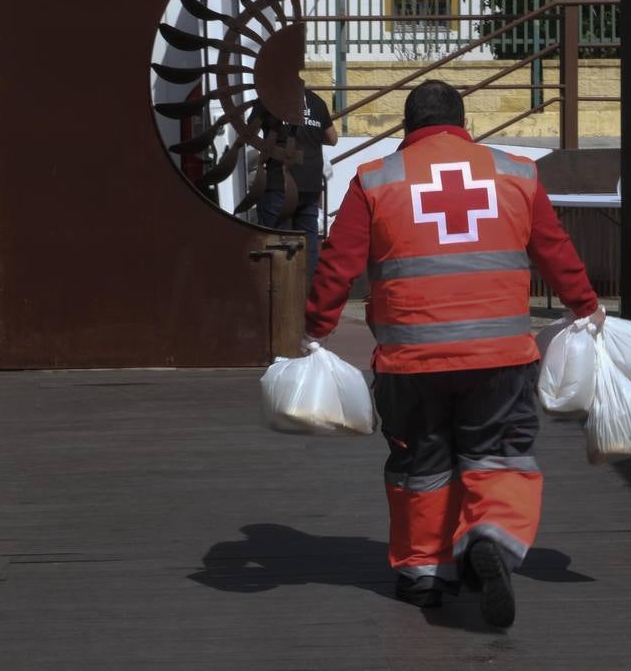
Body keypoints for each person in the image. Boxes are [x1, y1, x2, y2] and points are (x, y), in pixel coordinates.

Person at [303, 80, 603, 628]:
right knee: (498, 454)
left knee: (420, 460)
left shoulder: (374, 179)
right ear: (464, 122)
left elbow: (338, 264)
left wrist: (315, 330)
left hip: (409, 360)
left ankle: (424, 573)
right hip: (502, 356)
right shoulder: (515, 171)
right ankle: (490, 534)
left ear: (407, 128)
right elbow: (555, 250)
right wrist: (585, 306)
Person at [253, 88, 338, 283]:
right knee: (307, 246)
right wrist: (311, 134)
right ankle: (307, 299)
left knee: (275, 245)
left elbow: (250, 133)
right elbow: (333, 138)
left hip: (279, 184)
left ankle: (279, 300)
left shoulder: (270, 99)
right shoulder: (316, 101)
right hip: (310, 184)